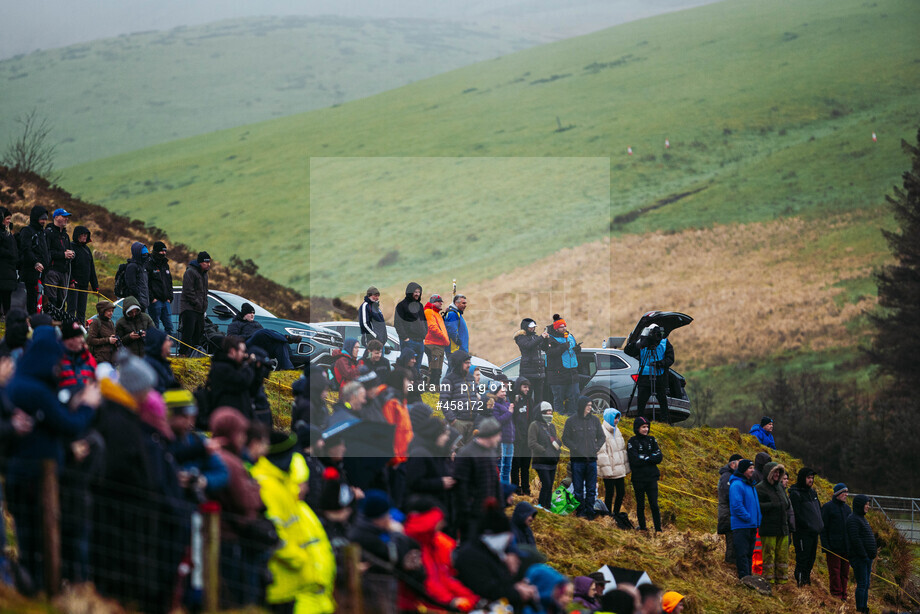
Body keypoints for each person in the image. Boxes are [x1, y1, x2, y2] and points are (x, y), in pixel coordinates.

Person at [5, 327, 99, 588]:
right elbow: (68, 424)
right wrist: (88, 404)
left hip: (20, 473)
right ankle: (41, 588)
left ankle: (34, 585)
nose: (59, 368)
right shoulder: (37, 390)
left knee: (28, 540)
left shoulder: (17, 384)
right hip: (37, 477)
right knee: (41, 539)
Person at [253, 431, 336, 614]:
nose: (306, 488)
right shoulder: (270, 488)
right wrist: (300, 560)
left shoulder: (301, 507)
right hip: (288, 586)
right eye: (302, 482)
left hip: (307, 588)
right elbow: (275, 534)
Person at [209, 407, 267, 608]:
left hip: (229, 532)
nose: (244, 439)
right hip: (231, 533)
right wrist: (256, 488)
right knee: (237, 592)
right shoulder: (231, 462)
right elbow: (245, 501)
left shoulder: (228, 458)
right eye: (241, 433)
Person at [400, 497, 480, 613]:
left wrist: (471, 598)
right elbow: (428, 585)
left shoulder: (432, 543)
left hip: (436, 603)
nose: (443, 524)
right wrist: (451, 602)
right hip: (420, 607)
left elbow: (443, 577)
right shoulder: (414, 546)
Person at [454, 499, 537, 609]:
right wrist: (516, 592)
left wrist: (518, 585)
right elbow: (487, 588)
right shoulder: (472, 556)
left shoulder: (491, 553)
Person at [452, 417, 503, 541]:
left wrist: (499, 505)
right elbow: (461, 486)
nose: (499, 439)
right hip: (471, 515)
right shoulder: (466, 453)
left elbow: (494, 481)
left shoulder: (490, 452)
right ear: (490, 435)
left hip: (488, 513)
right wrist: (467, 510)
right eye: (498, 435)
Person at [562, 396, 605, 519]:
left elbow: (602, 437)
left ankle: (590, 512)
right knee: (578, 489)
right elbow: (565, 438)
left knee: (591, 489)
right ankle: (580, 512)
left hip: (591, 460)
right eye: (588, 405)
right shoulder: (571, 421)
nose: (590, 408)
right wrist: (575, 447)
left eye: (591, 405)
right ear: (581, 406)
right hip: (577, 461)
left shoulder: (595, 420)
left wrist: (595, 447)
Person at [625, 323, 674, 424]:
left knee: (663, 402)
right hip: (644, 378)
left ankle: (665, 422)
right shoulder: (643, 342)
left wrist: (659, 363)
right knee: (641, 402)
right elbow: (628, 351)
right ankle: (640, 422)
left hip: (659, 377)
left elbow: (670, 359)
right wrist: (639, 343)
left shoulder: (664, 342)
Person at [227, 302, 297, 370]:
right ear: (244, 314)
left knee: (279, 343)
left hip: (260, 346)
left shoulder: (256, 323)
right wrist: (250, 336)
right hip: (246, 345)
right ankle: (287, 338)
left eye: (253, 313)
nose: (252, 315)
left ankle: (287, 368)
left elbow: (265, 336)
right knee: (262, 332)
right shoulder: (236, 324)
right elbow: (232, 338)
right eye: (250, 313)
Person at [205, 335, 255, 420]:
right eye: (242, 351)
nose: (245, 355)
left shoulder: (232, 366)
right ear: (232, 351)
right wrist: (248, 365)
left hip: (237, 414)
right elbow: (243, 381)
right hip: (227, 416)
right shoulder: (222, 368)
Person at [627, 416, 663, 531]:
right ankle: (642, 527)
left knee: (654, 505)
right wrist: (649, 458)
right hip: (638, 479)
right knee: (640, 505)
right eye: (643, 427)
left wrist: (645, 458)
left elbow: (659, 457)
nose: (646, 429)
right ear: (637, 428)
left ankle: (658, 529)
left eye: (647, 427)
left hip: (652, 478)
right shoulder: (632, 441)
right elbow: (634, 460)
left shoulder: (652, 440)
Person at [756, 462, 790, 584]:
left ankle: (782, 582)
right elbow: (757, 506)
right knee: (769, 556)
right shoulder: (760, 488)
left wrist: (786, 504)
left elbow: (786, 503)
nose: (777, 474)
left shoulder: (780, 487)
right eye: (775, 472)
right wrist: (772, 505)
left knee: (782, 556)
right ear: (768, 473)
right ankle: (768, 582)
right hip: (769, 528)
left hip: (783, 528)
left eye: (779, 472)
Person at [788, 467, 823, 586]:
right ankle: (800, 581)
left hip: (814, 532)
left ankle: (806, 580)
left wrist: (819, 524)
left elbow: (818, 509)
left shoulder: (812, 492)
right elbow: (796, 514)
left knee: (811, 558)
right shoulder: (795, 493)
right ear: (803, 478)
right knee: (803, 557)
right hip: (802, 533)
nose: (811, 480)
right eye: (809, 478)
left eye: (812, 478)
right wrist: (807, 525)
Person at [728, 459, 762, 579]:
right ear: (743, 470)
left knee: (749, 554)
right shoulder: (737, 485)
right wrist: (748, 517)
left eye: (753, 468)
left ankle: (749, 577)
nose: (753, 470)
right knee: (742, 554)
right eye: (750, 468)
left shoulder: (750, 484)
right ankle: (744, 578)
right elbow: (737, 505)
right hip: (742, 525)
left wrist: (757, 519)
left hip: (751, 525)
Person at [545, 314, 581, 416]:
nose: (564, 328)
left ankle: (573, 416)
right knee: (558, 398)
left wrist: (578, 349)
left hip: (572, 372)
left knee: (574, 396)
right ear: (556, 328)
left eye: (565, 326)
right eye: (561, 327)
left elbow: (573, 349)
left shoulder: (570, 336)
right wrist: (563, 347)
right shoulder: (549, 338)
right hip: (558, 374)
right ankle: (559, 418)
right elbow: (550, 353)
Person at [820, 483, 852, 601]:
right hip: (833, 547)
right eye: (844, 492)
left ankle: (844, 594)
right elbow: (823, 528)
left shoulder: (847, 509)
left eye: (847, 492)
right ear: (837, 493)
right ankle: (836, 594)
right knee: (835, 572)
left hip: (846, 547)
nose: (846, 495)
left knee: (844, 572)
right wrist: (826, 546)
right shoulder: (828, 507)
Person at [598, 407, 630, 519]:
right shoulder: (602, 431)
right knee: (609, 493)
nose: (616, 420)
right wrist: (607, 470)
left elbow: (622, 450)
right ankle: (607, 515)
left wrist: (625, 467)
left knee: (621, 492)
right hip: (609, 470)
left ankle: (615, 513)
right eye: (614, 418)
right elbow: (601, 453)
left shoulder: (617, 430)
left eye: (617, 418)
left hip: (619, 469)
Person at [846, 494, 876, 614]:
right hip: (860, 558)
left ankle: (864, 607)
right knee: (862, 584)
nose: (868, 507)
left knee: (866, 584)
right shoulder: (853, 519)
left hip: (867, 558)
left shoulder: (862, 518)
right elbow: (855, 539)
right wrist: (863, 555)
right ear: (860, 505)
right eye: (866, 504)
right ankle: (860, 608)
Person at [440, 350, 478, 444]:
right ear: (458, 363)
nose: (469, 365)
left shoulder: (470, 378)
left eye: (469, 362)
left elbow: (475, 396)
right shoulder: (448, 380)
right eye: (466, 363)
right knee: (457, 451)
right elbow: (444, 401)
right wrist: (452, 419)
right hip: (458, 422)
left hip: (472, 421)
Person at [18, 205, 50, 315]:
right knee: (30, 299)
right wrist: (35, 262)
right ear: (36, 218)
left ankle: (37, 320)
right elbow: (26, 250)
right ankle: (29, 321)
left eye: (45, 219)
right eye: (42, 219)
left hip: (42, 273)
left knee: (40, 299)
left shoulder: (43, 233)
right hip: (29, 272)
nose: (44, 221)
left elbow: (45, 250)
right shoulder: (27, 231)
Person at [529, 401, 560, 510]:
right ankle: (542, 506)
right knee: (546, 484)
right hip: (541, 461)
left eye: (551, 412)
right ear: (541, 412)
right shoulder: (534, 425)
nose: (549, 414)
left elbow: (555, 439)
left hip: (552, 461)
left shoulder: (552, 426)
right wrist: (544, 450)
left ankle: (548, 507)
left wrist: (557, 446)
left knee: (550, 485)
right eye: (547, 412)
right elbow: (532, 443)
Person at [42, 208, 74, 311]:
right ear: (56, 217)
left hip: (64, 272)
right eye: (64, 216)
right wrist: (63, 255)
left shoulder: (66, 236)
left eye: (67, 217)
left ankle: (60, 323)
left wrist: (72, 254)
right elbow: (46, 252)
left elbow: (68, 252)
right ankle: (50, 322)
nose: (66, 219)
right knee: (52, 299)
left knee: (62, 300)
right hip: (52, 271)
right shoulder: (48, 233)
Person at [179, 251, 211, 355]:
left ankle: (195, 356)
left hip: (200, 310)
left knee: (198, 335)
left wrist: (203, 305)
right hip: (189, 309)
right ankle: (183, 355)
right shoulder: (190, 272)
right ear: (200, 262)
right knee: (187, 334)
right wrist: (197, 303)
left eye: (209, 262)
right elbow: (188, 291)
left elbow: (204, 292)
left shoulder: (205, 275)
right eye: (206, 262)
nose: (208, 264)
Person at [514, 318, 549, 407]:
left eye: (534, 327)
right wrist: (541, 337)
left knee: (539, 398)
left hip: (539, 374)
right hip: (528, 374)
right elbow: (528, 345)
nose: (533, 329)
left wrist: (545, 339)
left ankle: (537, 416)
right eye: (531, 327)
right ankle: (527, 416)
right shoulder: (520, 337)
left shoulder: (535, 337)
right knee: (527, 397)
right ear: (525, 327)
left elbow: (544, 348)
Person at [393, 282, 426, 375]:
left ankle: (414, 387)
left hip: (420, 342)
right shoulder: (401, 306)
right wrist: (405, 338)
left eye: (419, 292)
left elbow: (424, 321)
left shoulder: (420, 306)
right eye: (415, 292)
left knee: (417, 367)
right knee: (406, 367)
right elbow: (398, 323)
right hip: (409, 342)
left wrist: (425, 333)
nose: (417, 294)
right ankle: (405, 386)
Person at [67, 226, 98, 323]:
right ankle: (70, 327)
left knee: (82, 310)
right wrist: (71, 280)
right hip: (73, 284)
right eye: (82, 235)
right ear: (77, 235)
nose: (85, 237)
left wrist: (95, 286)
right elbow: (67, 266)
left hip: (84, 285)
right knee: (72, 308)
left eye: (86, 235)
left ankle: (81, 330)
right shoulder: (70, 247)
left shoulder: (87, 250)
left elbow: (91, 268)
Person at [510, 377, 535, 495]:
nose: (527, 389)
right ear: (519, 387)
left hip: (527, 438)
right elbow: (512, 419)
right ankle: (515, 488)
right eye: (525, 387)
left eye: (528, 387)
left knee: (525, 465)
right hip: (516, 438)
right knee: (515, 465)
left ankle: (526, 488)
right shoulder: (513, 400)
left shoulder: (529, 401)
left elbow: (532, 419)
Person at [718, 454, 743, 565]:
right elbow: (729, 495)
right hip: (728, 514)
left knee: (736, 542)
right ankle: (729, 566)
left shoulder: (734, 476)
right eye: (739, 462)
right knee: (731, 542)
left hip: (732, 514)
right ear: (733, 463)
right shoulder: (726, 476)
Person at [489, 380, 515, 484]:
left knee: (508, 467)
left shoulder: (506, 403)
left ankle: (506, 489)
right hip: (502, 439)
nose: (504, 393)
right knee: (503, 467)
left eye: (505, 391)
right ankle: (502, 489)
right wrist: (509, 412)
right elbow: (497, 421)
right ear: (496, 392)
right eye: (501, 391)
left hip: (510, 439)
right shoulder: (495, 405)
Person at [146, 241, 174, 334]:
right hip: (155, 302)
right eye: (162, 251)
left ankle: (166, 347)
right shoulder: (149, 264)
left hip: (166, 301)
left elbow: (169, 282)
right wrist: (152, 298)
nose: (164, 253)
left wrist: (170, 297)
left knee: (169, 327)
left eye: (165, 251)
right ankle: (156, 347)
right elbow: (146, 283)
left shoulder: (166, 265)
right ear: (156, 251)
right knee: (155, 327)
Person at [142, 326, 180, 393]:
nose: (171, 343)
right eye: (167, 340)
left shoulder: (161, 362)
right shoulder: (150, 366)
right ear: (159, 343)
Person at [423, 294, 450, 384]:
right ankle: (431, 388)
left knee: (437, 370)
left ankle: (435, 389)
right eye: (439, 301)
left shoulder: (436, 313)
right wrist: (444, 337)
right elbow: (433, 327)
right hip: (434, 344)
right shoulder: (429, 312)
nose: (441, 303)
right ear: (433, 302)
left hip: (439, 344)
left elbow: (437, 325)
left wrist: (445, 313)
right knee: (434, 369)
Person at [0, 207, 19, 319]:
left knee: (7, 294)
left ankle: (7, 315)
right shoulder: (3, 233)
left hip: (9, 269)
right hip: (3, 268)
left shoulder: (8, 233)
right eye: (7, 218)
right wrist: (9, 254)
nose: (9, 221)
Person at [86, 300, 118, 364]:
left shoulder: (111, 322)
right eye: (109, 311)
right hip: (100, 360)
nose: (111, 313)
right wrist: (108, 340)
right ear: (102, 311)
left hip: (111, 360)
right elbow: (90, 340)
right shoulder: (96, 323)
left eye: (112, 311)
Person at [124, 242, 151, 313]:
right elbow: (131, 285)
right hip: (137, 303)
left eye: (146, 254)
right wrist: (138, 299)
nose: (146, 256)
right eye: (144, 254)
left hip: (144, 301)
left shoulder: (143, 266)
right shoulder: (132, 267)